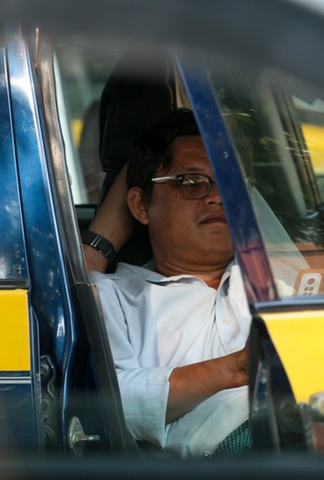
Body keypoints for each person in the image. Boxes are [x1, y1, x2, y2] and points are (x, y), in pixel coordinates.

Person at [88, 109, 252, 458]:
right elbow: (111, 402)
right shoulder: (112, 297)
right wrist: (237, 369)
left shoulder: (272, 275)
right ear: (140, 205)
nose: (218, 197)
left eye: (229, 182)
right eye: (192, 183)